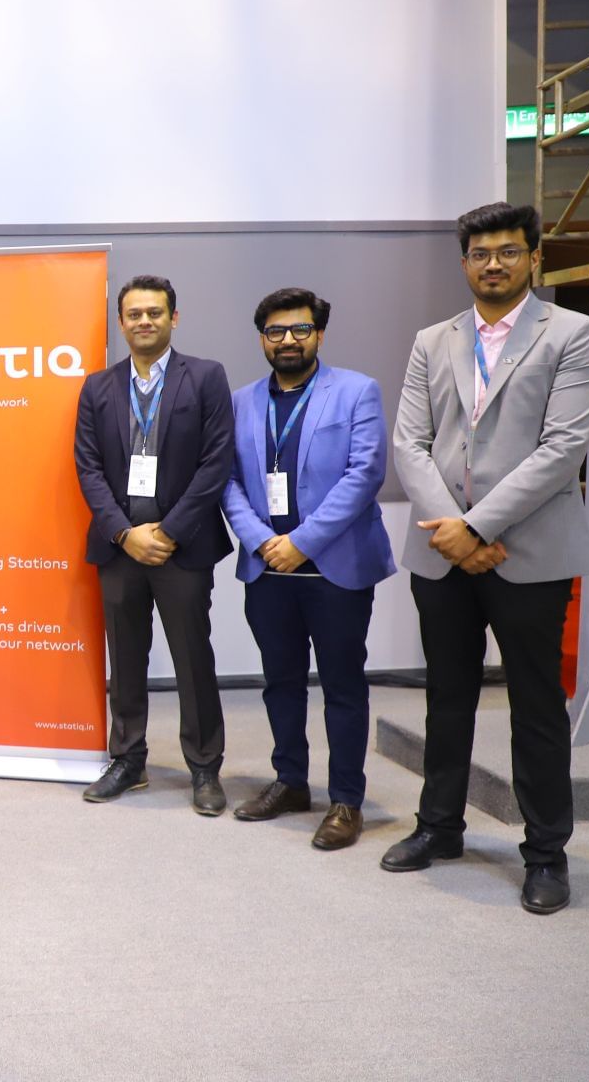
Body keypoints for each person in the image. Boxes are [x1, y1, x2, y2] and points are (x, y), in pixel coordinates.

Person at [383, 201, 589, 915]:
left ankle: (545, 854)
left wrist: (476, 527)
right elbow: (409, 443)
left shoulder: (571, 333)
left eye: (508, 251)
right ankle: (439, 827)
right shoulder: (433, 340)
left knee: (536, 706)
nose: (494, 264)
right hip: (442, 554)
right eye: (480, 254)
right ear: (465, 263)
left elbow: (563, 448)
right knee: (446, 697)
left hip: (530, 552)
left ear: (533, 257)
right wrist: (453, 531)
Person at [220, 288, 395, 849]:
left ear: (319, 334)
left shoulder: (357, 391)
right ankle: (290, 781)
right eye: (276, 332)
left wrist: (302, 541)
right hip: (268, 570)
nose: (288, 340)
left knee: (342, 686)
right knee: (281, 683)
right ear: (262, 340)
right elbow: (226, 480)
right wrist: (260, 541)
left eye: (300, 329)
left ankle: (346, 800)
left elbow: (364, 475)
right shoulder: (241, 401)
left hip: (335, 569)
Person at [73, 275, 235, 814]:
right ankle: (128, 760)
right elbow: (88, 467)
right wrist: (124, 533)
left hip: (181, 547)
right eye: (134, 314)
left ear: (173, 318)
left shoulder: (206, 377)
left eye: (155, 312)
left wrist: (167, 532)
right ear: (121, 323)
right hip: (119, 548)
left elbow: (216, 462)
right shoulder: (97, 387)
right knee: (125, 658)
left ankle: (205, 767)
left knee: (193, 658)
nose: (145, 321)